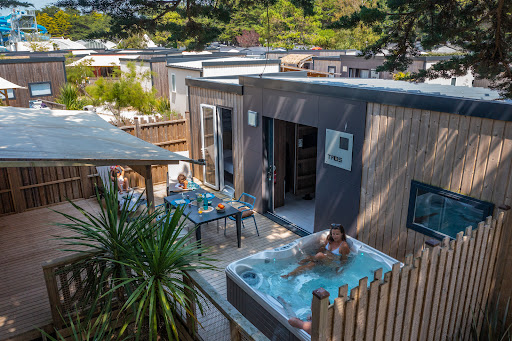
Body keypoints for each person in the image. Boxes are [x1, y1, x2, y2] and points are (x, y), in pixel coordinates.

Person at [281, 223, 350, 279]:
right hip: (322, 259)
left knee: (319, 255)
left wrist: (338, 270)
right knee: (309, 265)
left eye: (337, 234)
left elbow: (344, 260)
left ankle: (307, 258)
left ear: (342, 234)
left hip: (332, 263)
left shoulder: (344, 246)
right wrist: (317, 253)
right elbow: (323, 248)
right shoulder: (329, 238)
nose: (334, 236)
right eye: (333, 234)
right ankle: (289, 275)